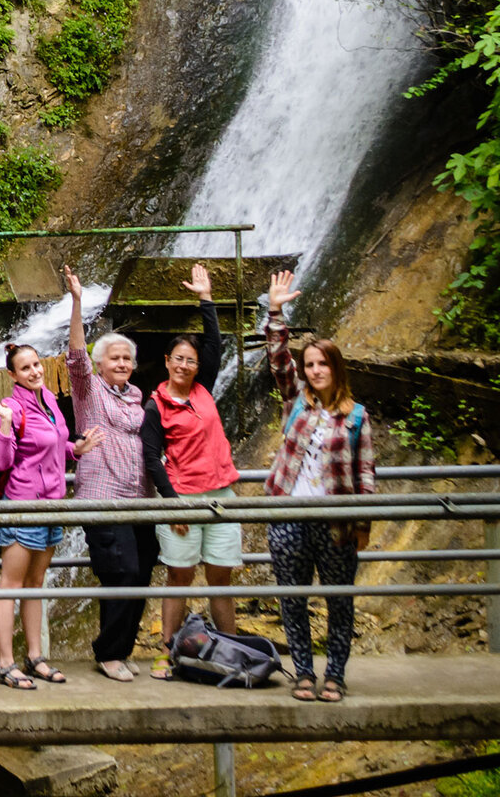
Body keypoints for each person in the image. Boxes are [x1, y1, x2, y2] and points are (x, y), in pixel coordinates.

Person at [264, 270, 376, 703]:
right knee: (292, 598)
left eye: (322, 363)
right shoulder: (297, 402)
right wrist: (275, 311)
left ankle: (336, 675)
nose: (314, 371)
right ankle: (304, 675)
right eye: (309, 365)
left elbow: (365, 474)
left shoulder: (356, 416)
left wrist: (364, 523)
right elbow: (277, 360)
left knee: (338, 600)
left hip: (335, 522)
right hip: (288, 514)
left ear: (336, 367)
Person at [139, 263, 242, 680]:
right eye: (178, 359)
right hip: (182, 498)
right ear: (166, 362)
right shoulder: (156, 405)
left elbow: (216, 346)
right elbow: (150, 459)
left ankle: (233, 653)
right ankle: (166, 653)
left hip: (221, 495)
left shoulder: (204, 388)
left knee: (220, 577)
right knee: (178, 576)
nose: (184, 365)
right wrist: (174, 503)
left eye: (190, 360)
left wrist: (206, 298)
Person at [0, 344, 101, 689]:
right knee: (10, 585)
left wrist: (75, 450)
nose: (35, 371)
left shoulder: (48, 399)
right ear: (12, 375)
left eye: (36, 364)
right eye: (26, 368)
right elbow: (3, 460)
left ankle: (35, 657)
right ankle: (5, 663)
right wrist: (4, 425)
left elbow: (53, 444)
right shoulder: (12, 407)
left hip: (53, 505)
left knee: (35, 585)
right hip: (23, 506)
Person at [64, 265, 158, 683]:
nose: (121, 363)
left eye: (126, 359)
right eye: (113, 358)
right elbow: (76, 358)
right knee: (120, 571)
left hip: (139, 498)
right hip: (103, 496)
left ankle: (120, 647)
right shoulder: (90, 392)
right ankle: (109, 653)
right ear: (100, 365)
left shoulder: (138, 401)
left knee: (141, 569)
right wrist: (78, 302)